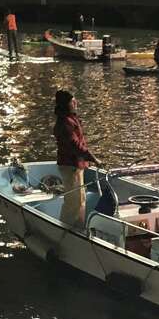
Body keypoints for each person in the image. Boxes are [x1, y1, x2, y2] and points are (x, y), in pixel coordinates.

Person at [53, 90, 98, 229]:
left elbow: (80, 143)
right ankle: (64, 229)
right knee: (73, 202)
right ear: (66, 104)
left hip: (77, 165)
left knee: (81, 199)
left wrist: (86, 161)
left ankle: (79, 227)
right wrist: (93, 158)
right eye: (72, 101)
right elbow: (75, 145)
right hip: (70, 166)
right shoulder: (65, 123)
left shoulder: (71, 119)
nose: (75, 103)